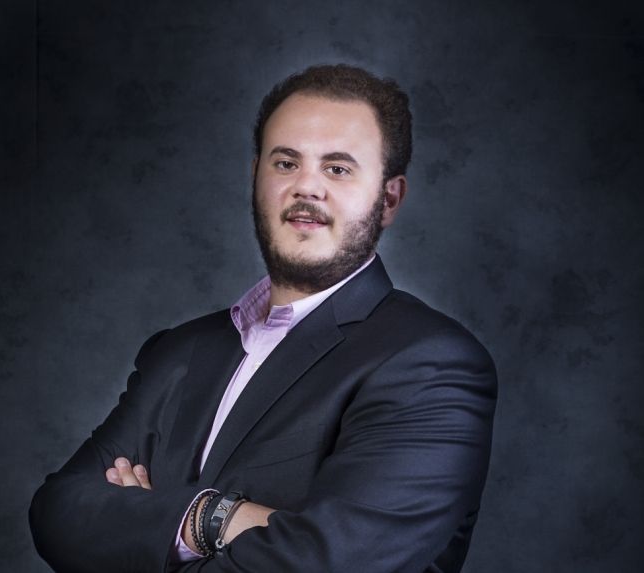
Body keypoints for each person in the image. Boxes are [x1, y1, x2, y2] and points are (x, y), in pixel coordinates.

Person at [29, 64, 497, 573]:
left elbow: (325, 563)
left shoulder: (431, 364)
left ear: (388, 199)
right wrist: (216, 520)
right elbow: (57, 513)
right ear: (256, 176)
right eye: (286, 163)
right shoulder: (177, 351)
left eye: (338, 169)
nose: (307, 187)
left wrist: (157, 524)